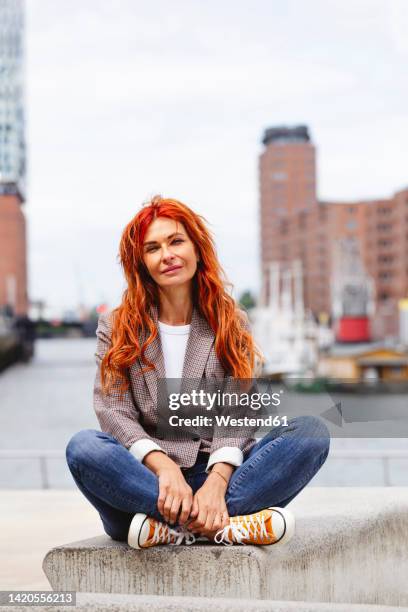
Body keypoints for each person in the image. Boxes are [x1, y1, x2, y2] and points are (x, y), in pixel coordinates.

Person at [66, 195, 330, 549]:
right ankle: (228, 526)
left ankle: (174, 529)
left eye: (176, 241)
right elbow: (113, 409)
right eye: (153, 248)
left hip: (220, 474)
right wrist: (164, 467)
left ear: (196, 248)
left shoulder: (230, 321)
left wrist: (217, 481)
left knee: (311, 433)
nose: (168, 255)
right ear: (141, 262)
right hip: (147, 479)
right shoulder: (116, 326)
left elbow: (240, 410)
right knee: (84, 448)